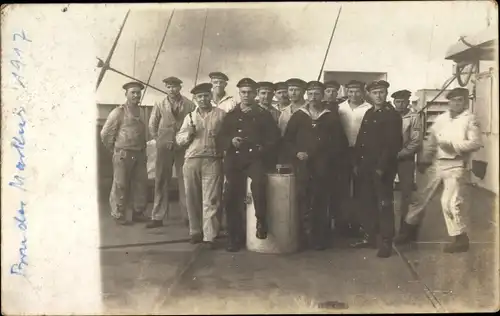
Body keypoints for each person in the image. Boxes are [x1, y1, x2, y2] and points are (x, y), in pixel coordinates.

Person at [395, 87, 482, 253]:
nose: (456, 103)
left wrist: (453, 146)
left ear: (465, 102)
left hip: (456, 165)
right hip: (436, 164)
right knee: (419, 199)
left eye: (460, 100)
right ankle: (408, 232)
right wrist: (424, 158)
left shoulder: (470, 119)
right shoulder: (442, 118)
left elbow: (475, 143)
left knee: (449, 202)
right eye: (453, 100)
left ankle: (460, 238)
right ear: (448, 101)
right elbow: (431, 140)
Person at [216, 78, 281, 252]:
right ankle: (233, 237)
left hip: (255, 158)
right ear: (239, 93)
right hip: (235, 160)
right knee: (231, 196)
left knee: (259, 183)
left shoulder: (263, 115)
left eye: (250, 92)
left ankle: (261, 221)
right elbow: (220, 138)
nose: (246, 95)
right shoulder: (230, 115)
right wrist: (231, 141)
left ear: (255, 94)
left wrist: (262, 148)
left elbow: (274, 139)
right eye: (243, 92)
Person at [283, 81, 346, 250]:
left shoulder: (330, 117)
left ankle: (319, 238)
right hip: (303, 166)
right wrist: (297, 153)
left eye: (317, 94)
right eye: (310, 94)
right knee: (302, 199)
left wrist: (326, 156)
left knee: (320, 201)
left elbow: (339, 143)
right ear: (306, 96)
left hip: (323, 167)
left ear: (323, 95)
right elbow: (287, 141)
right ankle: (301, 237)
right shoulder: (298, 116)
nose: (313, 98)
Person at [350, 80, 402, 258]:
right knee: (367, 202)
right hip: (365, 166)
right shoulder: (369, 113)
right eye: (375, 93)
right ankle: (370, 236)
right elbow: (361, 140)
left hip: (382, 168)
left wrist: (381, 167)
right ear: (370, 95)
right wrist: (356, 162)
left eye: (382, 92)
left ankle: (386, 241)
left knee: (384, 204)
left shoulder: (392, 115)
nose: (379, 95)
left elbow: (393, 144)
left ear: (386, 94)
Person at [176, 83, 227, 249]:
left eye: (206, 95)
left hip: (212, 160)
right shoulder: (190, 117)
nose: (203, 99)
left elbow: (228, 136)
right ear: (195, 99)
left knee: (211, 199)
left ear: (211, 96)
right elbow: (179, 139)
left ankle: (210, 236)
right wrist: (188, 134)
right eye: (200, 97)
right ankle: (195, 231)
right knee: (192, 198)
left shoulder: (221, 115)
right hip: (192, 160)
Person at [147, 76, 196, 228]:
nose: (171, 89)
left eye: (174, 86)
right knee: (161, 179)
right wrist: (160, 140)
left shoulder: (189, 104)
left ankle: (188, 216)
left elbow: (194, 125)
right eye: (168, 87)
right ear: (166, 88)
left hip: (182, 147)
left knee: (185, 180)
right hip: (164, 147)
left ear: (180, 88)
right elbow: (152, 125)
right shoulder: (160, 104)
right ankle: (157, 216)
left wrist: (185, 141)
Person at [100, 82, 149, 225]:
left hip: (139, 153)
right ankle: (118, 214)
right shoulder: (118, 112)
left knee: (140, 184)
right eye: (132, 92)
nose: (136, 95)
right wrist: (114, 148)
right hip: (123, 154)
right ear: (126, 94)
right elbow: (105, 134)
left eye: (138, 93)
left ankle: (138, 212)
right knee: (120, 184)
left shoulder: (142, 112)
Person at [336, 80, 373, 237]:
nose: (353, 94)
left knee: (361, 190)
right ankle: (343, 225)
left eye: (357, 91)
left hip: (362, 152)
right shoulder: (340, 108)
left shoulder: (369, 109)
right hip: (343, 152)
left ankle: (360, 225)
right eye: (350, 91)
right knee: (343, 189)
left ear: (363, 92)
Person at [392, 90, 422, 229]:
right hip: (388, 158)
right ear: (393, 102)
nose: (400, 104)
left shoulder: (414, 117)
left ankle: (405, 227)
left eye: (403, 101)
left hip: (405, 158)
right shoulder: (389, 115)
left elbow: (416, 140)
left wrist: (402, 153)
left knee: (406, 193)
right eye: (397, 101)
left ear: (408, 103)